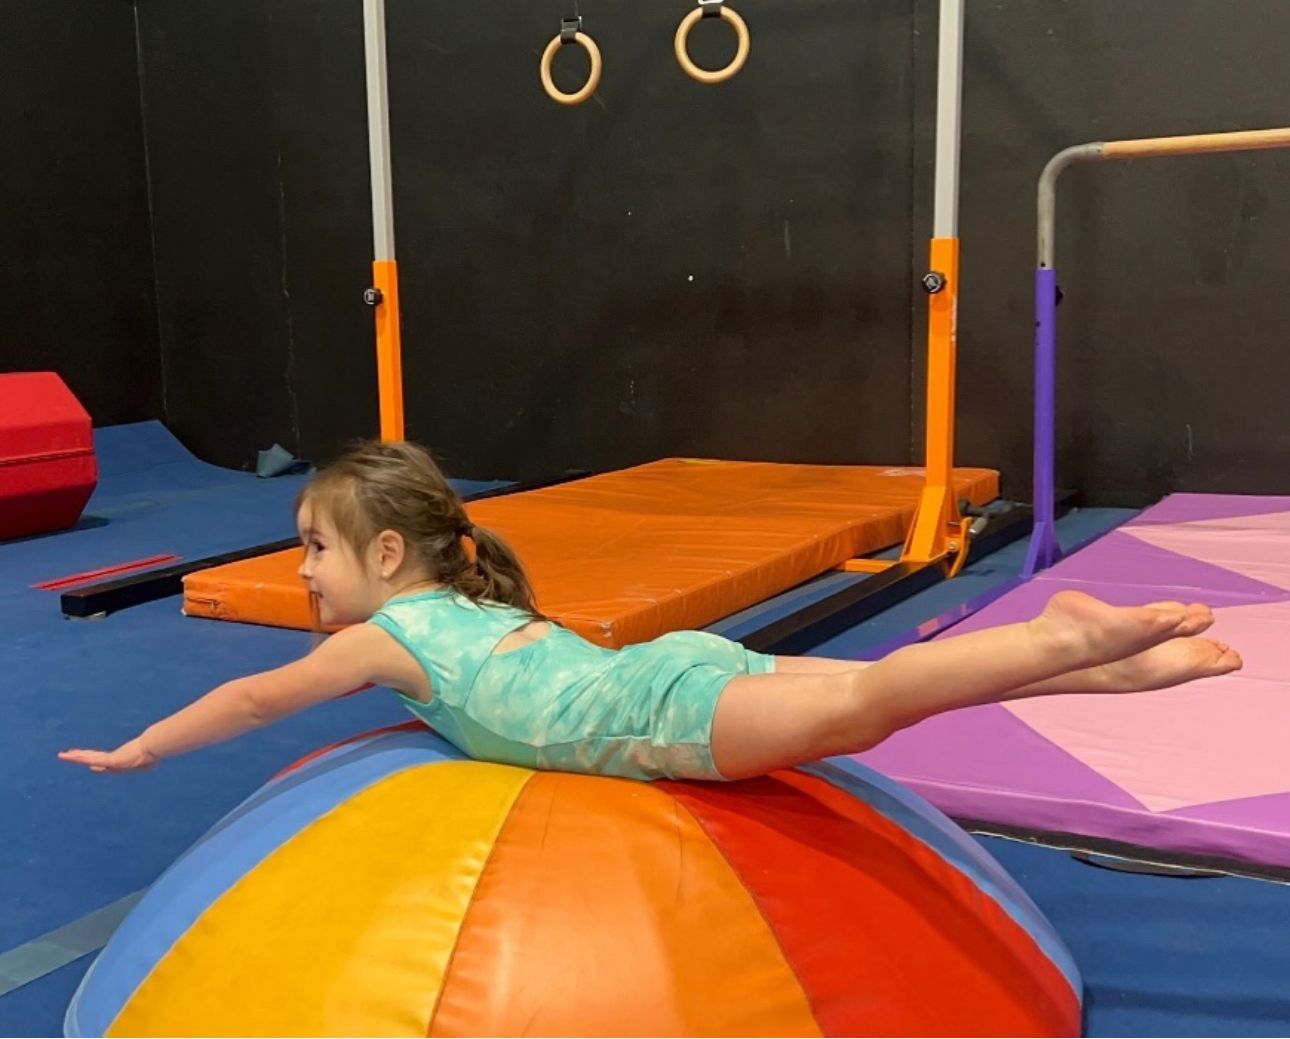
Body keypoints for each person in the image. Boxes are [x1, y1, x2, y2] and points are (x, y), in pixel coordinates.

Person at [60, 441, 1242, 781]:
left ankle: (1053, 638)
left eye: (312, 546)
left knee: (871, 705)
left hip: (648, 716)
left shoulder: (385, 637)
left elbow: (261, 693)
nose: (301, 569)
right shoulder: (468, 605)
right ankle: (1105, 665)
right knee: (850, 696)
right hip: (659, 671)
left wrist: (145, 747)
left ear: (382, 552)